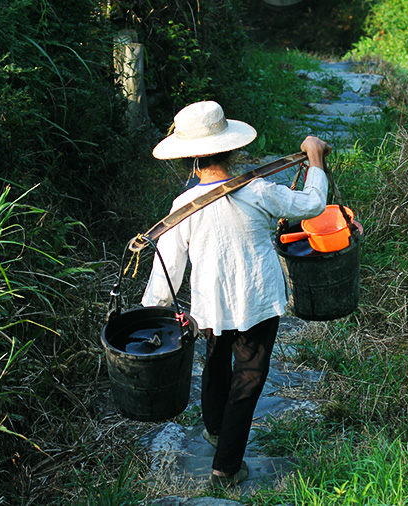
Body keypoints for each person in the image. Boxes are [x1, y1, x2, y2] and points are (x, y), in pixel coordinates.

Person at [140, 100, 331, 488]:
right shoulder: (260, 191)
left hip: (211, 303)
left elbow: (168, 269)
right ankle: (226, 467)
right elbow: (313, 204)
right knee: (248, 378)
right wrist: (315, 160)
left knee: (215, 359)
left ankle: (214, 429)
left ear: (192, 159)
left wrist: (154, 313)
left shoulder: (182, 207)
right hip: (258, 301)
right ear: (233, 149)